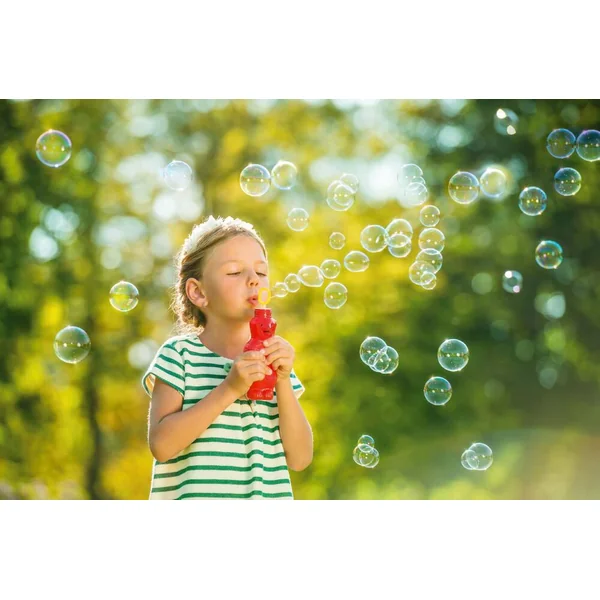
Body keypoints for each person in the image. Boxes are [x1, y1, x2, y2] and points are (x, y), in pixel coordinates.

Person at [142, 215, 313, 499]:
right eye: (234, 272)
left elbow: (300, 458)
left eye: (261, 272)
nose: (253, 280)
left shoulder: (274, 359)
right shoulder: (179, 356)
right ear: (198, 292)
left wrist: (282, 381)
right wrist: (231, 388)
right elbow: (161, 446)